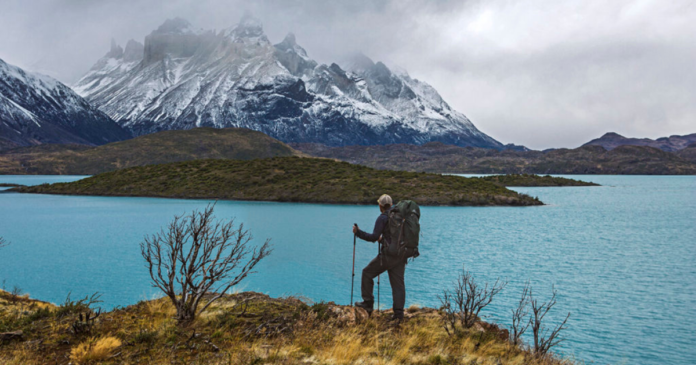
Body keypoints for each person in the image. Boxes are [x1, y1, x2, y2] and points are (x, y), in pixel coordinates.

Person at [352, 194, 407, 321]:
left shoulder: (382, 218)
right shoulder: (400, 217)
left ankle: (368, 304)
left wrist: (358, 232)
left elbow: (373, 237)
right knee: (398, 285)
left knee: (367, 273)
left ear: (380, 205)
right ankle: (399, 315)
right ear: (392, 204)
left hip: (388, 256)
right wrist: (383, 240)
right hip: (401, 255)